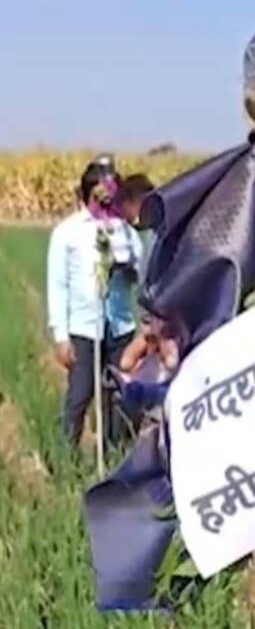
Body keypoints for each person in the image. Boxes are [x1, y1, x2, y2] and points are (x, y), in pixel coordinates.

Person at [47, 162, 144, 448]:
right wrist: (61, 337)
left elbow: (139, 272)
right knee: (80, 395)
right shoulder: (67, 232)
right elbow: (58, 285)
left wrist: (123, 269)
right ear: (92, 192)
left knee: (118, 396)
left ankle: (114, 456)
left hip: (120, 326)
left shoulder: (125, 232)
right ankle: (65, 457)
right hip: (84, 329)